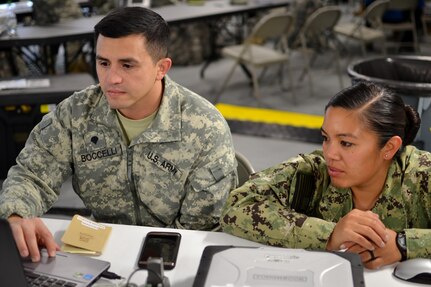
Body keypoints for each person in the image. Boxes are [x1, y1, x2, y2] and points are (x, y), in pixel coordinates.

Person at [0, 7, 237, 262]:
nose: (111, 78)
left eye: (127, 65)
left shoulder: (204, 127)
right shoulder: (76, 114)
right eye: (103, 63)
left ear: (161, 68)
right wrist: (17, 215)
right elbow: (32, 174)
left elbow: (198, 231)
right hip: (102, 250)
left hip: (176, 257)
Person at [221, 81, 431, 269]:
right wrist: (328, 235)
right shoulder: (315, 172)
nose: (330, 153)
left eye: (346, 143)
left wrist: (403, 245)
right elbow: (236, 207)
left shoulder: (422, 174)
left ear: (389, 147)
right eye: (325, 137)